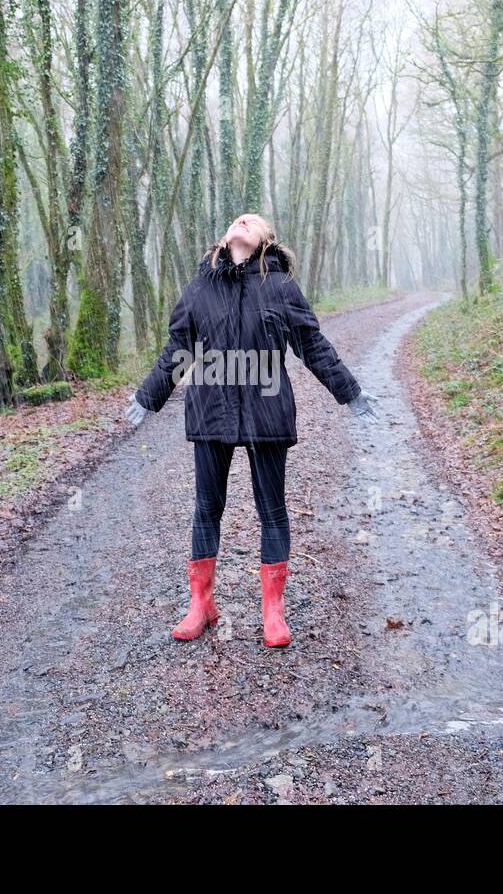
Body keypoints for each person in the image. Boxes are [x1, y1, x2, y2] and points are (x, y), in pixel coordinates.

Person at [125, 213, 378, 647]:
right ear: (226, 236)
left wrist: (349, 392)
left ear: (264, 240)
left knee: (273, 510)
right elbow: (178, 349)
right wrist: (148, 397)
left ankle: (273, 613)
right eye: (238, 219)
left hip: (267, 413)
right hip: (210, 411)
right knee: (207, 508)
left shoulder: (279, 287)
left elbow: (312, 345)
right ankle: (200, 605)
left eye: (254, 220)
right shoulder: (200, 287)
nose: (243, 220)